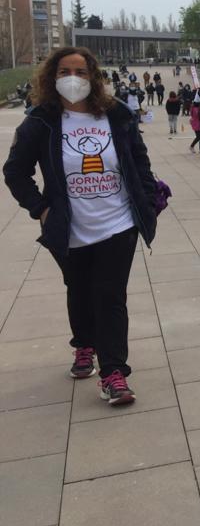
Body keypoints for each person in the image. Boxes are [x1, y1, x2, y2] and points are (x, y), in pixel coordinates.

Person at [3, 47, 158, 405]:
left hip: (118, 223)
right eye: (64, 71)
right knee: (78, 287)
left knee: (110, 295)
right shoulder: (40, 121)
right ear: (52, 78)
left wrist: (146, 202)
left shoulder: (116, 114)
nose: (73, 78)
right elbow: (15, 172)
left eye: (81, 71)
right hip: (69, 227)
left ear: (93, 76)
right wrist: (40, 209)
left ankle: (114, 373)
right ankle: (84, 344)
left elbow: (139, 160)